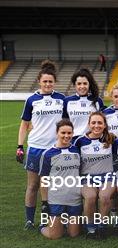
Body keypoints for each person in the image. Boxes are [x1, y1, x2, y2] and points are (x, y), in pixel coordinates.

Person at [18, 60, 65, 230]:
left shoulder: (61, 99)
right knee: (33, 185)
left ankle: (48, 220)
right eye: (44, 81)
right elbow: (24, 124)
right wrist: (19, 146)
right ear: (39, 81)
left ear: (55, 82)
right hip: (36, 148)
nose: (47, 84)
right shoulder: (32, 100)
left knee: (52, 187)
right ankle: (29, 220)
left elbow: (66, 123)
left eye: (50, 81)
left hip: (55, 149)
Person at [73, 112, 116, 239]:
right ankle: (90, 228)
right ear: (88, 124)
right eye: (93, 123)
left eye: (99, 123)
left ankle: (102, 227)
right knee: (90, 197)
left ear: (104, 125)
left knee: (104, 196)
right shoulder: (80, 141)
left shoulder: (111, 139)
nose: (96, 126)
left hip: (107, 176)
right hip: (87, 177)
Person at [38, 119, 82, 239]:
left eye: (69, 133)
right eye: (63, 133)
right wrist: (44, 202)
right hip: (56, 198)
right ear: (57, 133)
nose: (66, 136)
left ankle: (64, 222)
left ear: (73, 133)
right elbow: (43, 179)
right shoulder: (48, 154)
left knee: (74, 234)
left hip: (74, 197)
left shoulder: (76, 150)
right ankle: (42, 226)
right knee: (55, 236)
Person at [63, 68, 105, 138]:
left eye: (85, 83)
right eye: (79, 84)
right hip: (74, 141)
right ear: (74, 85)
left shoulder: (97, 101)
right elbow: (64, 123)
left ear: (89, 84)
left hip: (92, 140)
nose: (82, 86)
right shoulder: (67, 101)